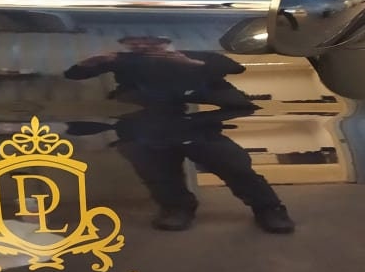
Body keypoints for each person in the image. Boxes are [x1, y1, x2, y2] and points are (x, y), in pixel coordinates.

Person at [64, 36, 294, 234]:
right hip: (145, 124)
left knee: (233, 166)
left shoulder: (191, 54)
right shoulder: (124, 59)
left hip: (196, 124)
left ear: (164, 40)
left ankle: (269, 209)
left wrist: (190, 63)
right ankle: (176, 208)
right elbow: (74, 75)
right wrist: (90, 62)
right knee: (157, 174)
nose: (141, 45)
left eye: (148, 40)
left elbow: (234, 67)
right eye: (133, 41)